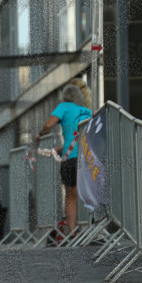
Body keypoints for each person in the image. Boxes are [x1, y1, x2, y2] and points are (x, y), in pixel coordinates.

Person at [35, 82, 91, 237]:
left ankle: (73, 232)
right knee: (88, 192)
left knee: (71, 194)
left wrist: (40, 135)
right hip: (88, 156)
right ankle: (91, 229)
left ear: (64, 97)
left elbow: (49, 124)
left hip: (71, 157)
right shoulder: (87, 111)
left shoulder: (64, 107)